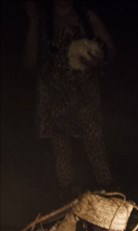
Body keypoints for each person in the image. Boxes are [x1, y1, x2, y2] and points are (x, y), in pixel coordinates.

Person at [23, 0, 116, 201]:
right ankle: (68, 199)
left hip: (85, 95)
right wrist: (33, 21)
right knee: (61, 149)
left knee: (95, 143)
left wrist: (100, 59)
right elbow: (30, 61)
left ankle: (109, 195)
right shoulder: (44, 21)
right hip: (55, 94)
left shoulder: (87, 17)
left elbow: (110, 48)